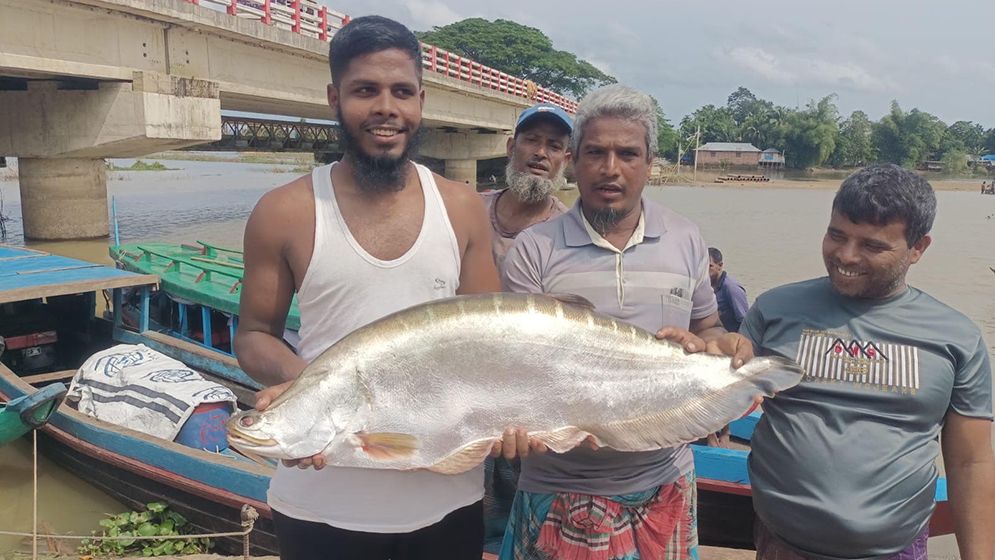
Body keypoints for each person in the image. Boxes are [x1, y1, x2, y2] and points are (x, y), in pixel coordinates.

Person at [233, 16, 527, 560]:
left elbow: (491, 342)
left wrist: (519, 419)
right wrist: (318, 397)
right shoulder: (285, 212)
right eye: (365, 90)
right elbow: (254, 335)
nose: (386, 107)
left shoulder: (460, 207)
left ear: (421, 101)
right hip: (321, 504)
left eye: (402, 91)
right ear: (334, 98)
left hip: (448, 501)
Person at [500, 84, 753, 560]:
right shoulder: (534, 248)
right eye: (595, 152)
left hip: (664, 482)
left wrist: (715, 347)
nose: (610, 168)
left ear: (650, 161)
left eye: (627, 153)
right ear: (573, 159)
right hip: (556, 486)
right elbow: (520, 369)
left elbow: (709, 328)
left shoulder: (685, 237)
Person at [741, 164, 994, 560]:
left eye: (872, 246)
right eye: (836, 235)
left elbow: (970, 461)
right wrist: (705, 349)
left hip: (895, 550)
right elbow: (715, 396)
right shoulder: (775, 310)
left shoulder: (956, 338)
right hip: (782, 546)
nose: (846, 255)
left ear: (918, 248)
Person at [480, 103, 572, 270]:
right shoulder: (472, 210)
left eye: (554, 146)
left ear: (565, 161)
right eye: (532, 140)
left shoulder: (569, 232)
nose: (541, 153)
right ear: (511, 147)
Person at [708, 247, 748, 333]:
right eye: (703, 267)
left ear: (720, 265)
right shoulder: (706, 286)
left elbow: (744, 321)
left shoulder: (731, 288)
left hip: (732, 336)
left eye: (710, 266)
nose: (705, 270)